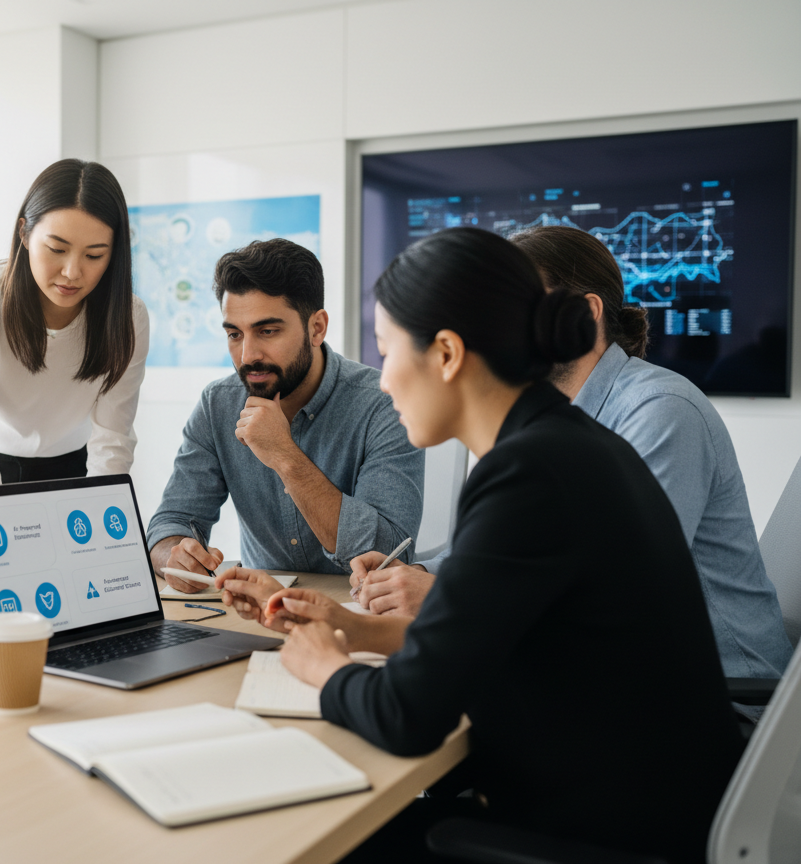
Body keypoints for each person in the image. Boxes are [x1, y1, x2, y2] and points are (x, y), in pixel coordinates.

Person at [219, 228, 744, 863]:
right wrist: (349, 629)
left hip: (597, 835)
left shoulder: (527, 474)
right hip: (640, 803)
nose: (383, 382)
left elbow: (408, 717)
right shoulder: (562, 442)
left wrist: (324, 668)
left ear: (445, 353)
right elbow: (487, 631)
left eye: (387, 354)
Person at [351, 225, 793, 682]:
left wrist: (443, 592)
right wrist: (417, 573)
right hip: (612, 676)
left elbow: (619, 589)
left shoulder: (661, 410)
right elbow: (514, 556)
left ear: (584, 315)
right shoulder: (536, 419)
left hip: (724, 693)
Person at [146, 238, 423, 591]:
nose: (247, 355)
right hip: (260, 611)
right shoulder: (218, 404)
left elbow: (388, 553)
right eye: (234, 334)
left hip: (361, 615)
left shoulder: (382, 403)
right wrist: (173, 554)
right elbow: (170, 521)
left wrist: (284, 456)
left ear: (316, 328)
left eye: (267, 331)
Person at [0, 159, 148, 485]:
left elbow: (113, 438)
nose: (72, 272)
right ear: (24, 233)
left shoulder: (128, 318)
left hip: (78, 464)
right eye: (56, 248)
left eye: (94, 255)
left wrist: (105, 511)